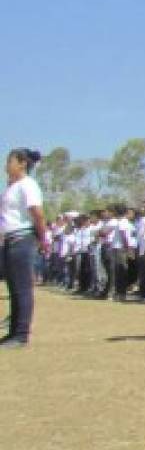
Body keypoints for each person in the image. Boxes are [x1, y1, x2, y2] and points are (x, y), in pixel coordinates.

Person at [2, 148, 48, 347]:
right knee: (13, 288)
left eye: (9, 161)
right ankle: (12, 333)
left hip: (22, 239)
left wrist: (43, 238)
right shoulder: (12, 186)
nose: (6, 165)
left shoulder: (28, 185)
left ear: (22, 163)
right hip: (9, 240)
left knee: (22, 289)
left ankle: (21, 335)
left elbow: (37, 213)